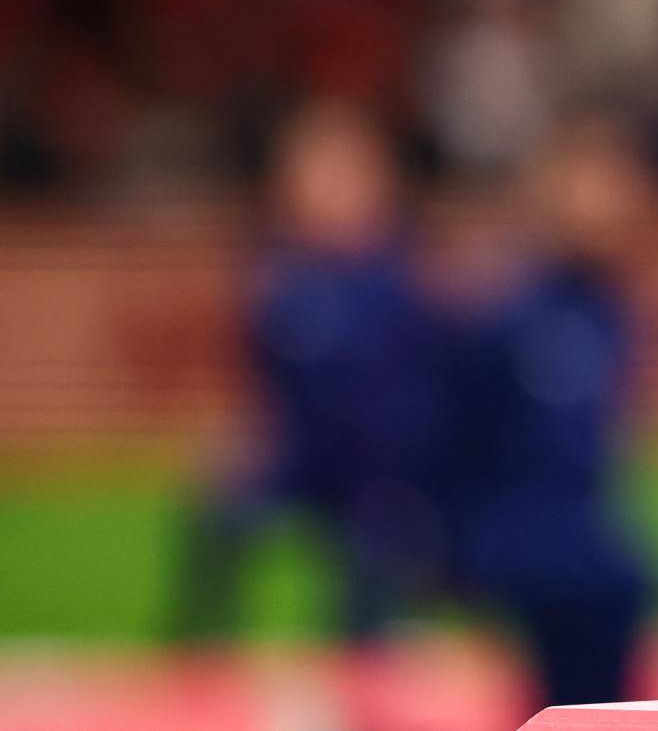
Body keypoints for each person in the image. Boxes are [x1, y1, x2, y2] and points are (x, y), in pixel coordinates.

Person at [176, 102, 455, 640]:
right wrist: (247, 438)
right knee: (219, 508)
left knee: (383, 543)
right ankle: (199, 656)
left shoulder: (411, 277)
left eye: (343, 173)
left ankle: (373, 648)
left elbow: (437, 389)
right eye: (314, 173)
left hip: (382, 472)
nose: (329, 190)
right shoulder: (277, 279)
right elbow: (265, 387)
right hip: (300, 461)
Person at [447, 115, 654, 706]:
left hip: (593, 545)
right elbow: (461, 433)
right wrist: (464, 549)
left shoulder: (612, 310)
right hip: (532, 546)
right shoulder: (508, 313)